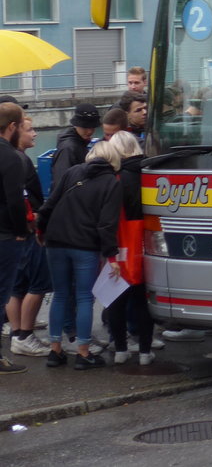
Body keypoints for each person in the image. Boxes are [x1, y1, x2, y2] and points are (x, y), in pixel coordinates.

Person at [38, 138, 123, 370]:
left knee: (60, 295)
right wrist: (112, 257)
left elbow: (51, 202)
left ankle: (55, 351)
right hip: (85, 244)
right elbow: (107, 224)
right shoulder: (112, 182)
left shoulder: (73, 171)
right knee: (85, 297)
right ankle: (83, 353)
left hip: (56, 239)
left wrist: (41, 229)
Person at [106, 131, 156, 366]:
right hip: (148, 241)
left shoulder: (116, 178)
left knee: (116, 298)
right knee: (143, 300)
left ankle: (120, 349)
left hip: (122, 241)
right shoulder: (150, 174)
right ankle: (146, 351)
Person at [6, 114, 52, 358]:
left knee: (16, 286)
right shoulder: (20, 161)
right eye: (30, 130)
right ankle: (25, 334)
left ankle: (17, 334)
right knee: (37, 284)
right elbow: (21, 200)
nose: (34, 134)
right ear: (15, 131)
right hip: (26, 231)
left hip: (12, 233)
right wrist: (32, 224)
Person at [0, 101, 29, 375]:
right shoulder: (10, 157)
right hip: (5, 235)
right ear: (12, 127)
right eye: (21, 125)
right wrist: (22, 231)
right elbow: (14, 201)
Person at [49, 103, 101, 195]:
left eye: (92, 127)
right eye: (85, 127)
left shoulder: (79, 143)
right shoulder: (68, 149)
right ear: (76, 125)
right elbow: (61, 183)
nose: (89, 131)